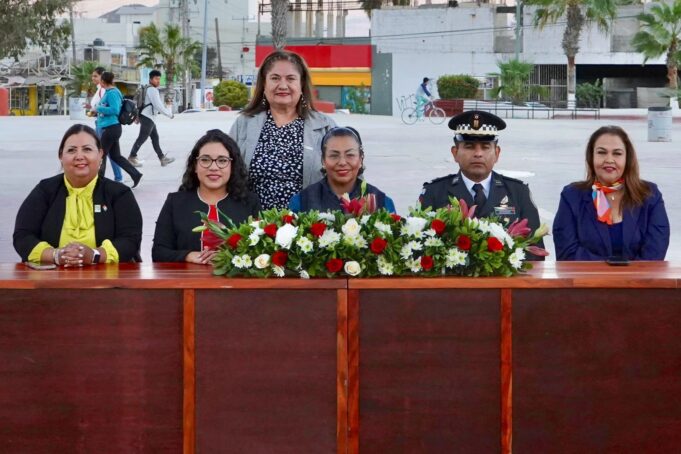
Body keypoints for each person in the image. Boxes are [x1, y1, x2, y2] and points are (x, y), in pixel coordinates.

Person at [419, 110, 544, 258]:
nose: (478, 153)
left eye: (485, 147)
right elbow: (419, 249)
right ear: (455, 153)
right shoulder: (434, 192)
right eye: (469, 146)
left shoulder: (518, 192)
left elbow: (535, 251)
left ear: (497, 153)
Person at [13, 124, 143, 266]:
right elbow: (23, 236)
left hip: (108, 278)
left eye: (87, 149)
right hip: (52, 276)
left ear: (100, 154)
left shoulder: (119, 194)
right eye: (71, 150)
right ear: (61, 156)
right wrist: (56, 255)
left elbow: (130, 240)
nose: (79, 156)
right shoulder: (45, 190)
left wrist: (94, 255)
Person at [229, 50, 336, 210]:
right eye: (275, 78)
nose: (283, 85)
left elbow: (347, 177)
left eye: (291, 78)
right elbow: (225, 172)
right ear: (264, 84)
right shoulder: (243, 124)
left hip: (309, 223)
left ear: (301, 84)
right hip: (252, 223)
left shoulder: (325, 126)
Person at [553, 125, 669, 261]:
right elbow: (567, 253)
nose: (609, 159)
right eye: (601, 152)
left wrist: (626, 274)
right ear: (591, 157)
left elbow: (655, 253)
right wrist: (610, 271)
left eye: (617, 153)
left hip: (640, 275)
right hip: (586, 276)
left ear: (627, 159)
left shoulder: (650, 195)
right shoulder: (571, 196)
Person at [152, 129, 261, 264]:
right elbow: (159, 252)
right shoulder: (175, 202)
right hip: (188, 276)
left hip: (236, 277)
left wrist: (231, 249)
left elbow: (260, 252)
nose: (213, 167)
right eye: (205, 160)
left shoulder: (249, 202)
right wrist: (187, 256)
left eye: (222, 161)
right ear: (195, 166)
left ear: (232, 167)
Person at [289, 126, 396, 213]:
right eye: (334, 155)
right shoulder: (302, 202)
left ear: (361, 159)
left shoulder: (381, 202)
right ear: (323, 160)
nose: (342, 162)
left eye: (350, 155)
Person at [93, 71, 143, 188]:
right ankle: (136, 175)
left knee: (101, 154)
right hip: (111, 128)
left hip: (111, 128)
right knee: (116, 156)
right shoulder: (109, 92)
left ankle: (99, 182)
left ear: (103, 81)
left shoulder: (112, 93)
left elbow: (115, 110)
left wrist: (98, 108)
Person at [127, 69, 176, 168]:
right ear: (150, 79)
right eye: (156, 79)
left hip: (147, 117)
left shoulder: (146, 88)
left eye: (159, 79)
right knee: (142, 138)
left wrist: (138, 116)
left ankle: (162, 158)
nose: (158, 81)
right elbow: (158, 105)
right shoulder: (152, 90)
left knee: (155, 138)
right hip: (148, 117)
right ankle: (132, 157)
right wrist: (169, 114)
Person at [88, 66, 123, 182]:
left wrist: (97, 109)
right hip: (101, 123)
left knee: (103, 154)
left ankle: (103, 179)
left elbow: (112, 108)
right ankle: (118, 177)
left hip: (107, 125)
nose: (93, 78)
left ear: (102, 77)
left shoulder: (106, 90)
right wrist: (93, 108)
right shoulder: (101, 89)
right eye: (93, 76)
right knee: (110, 154)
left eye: (96, 76)